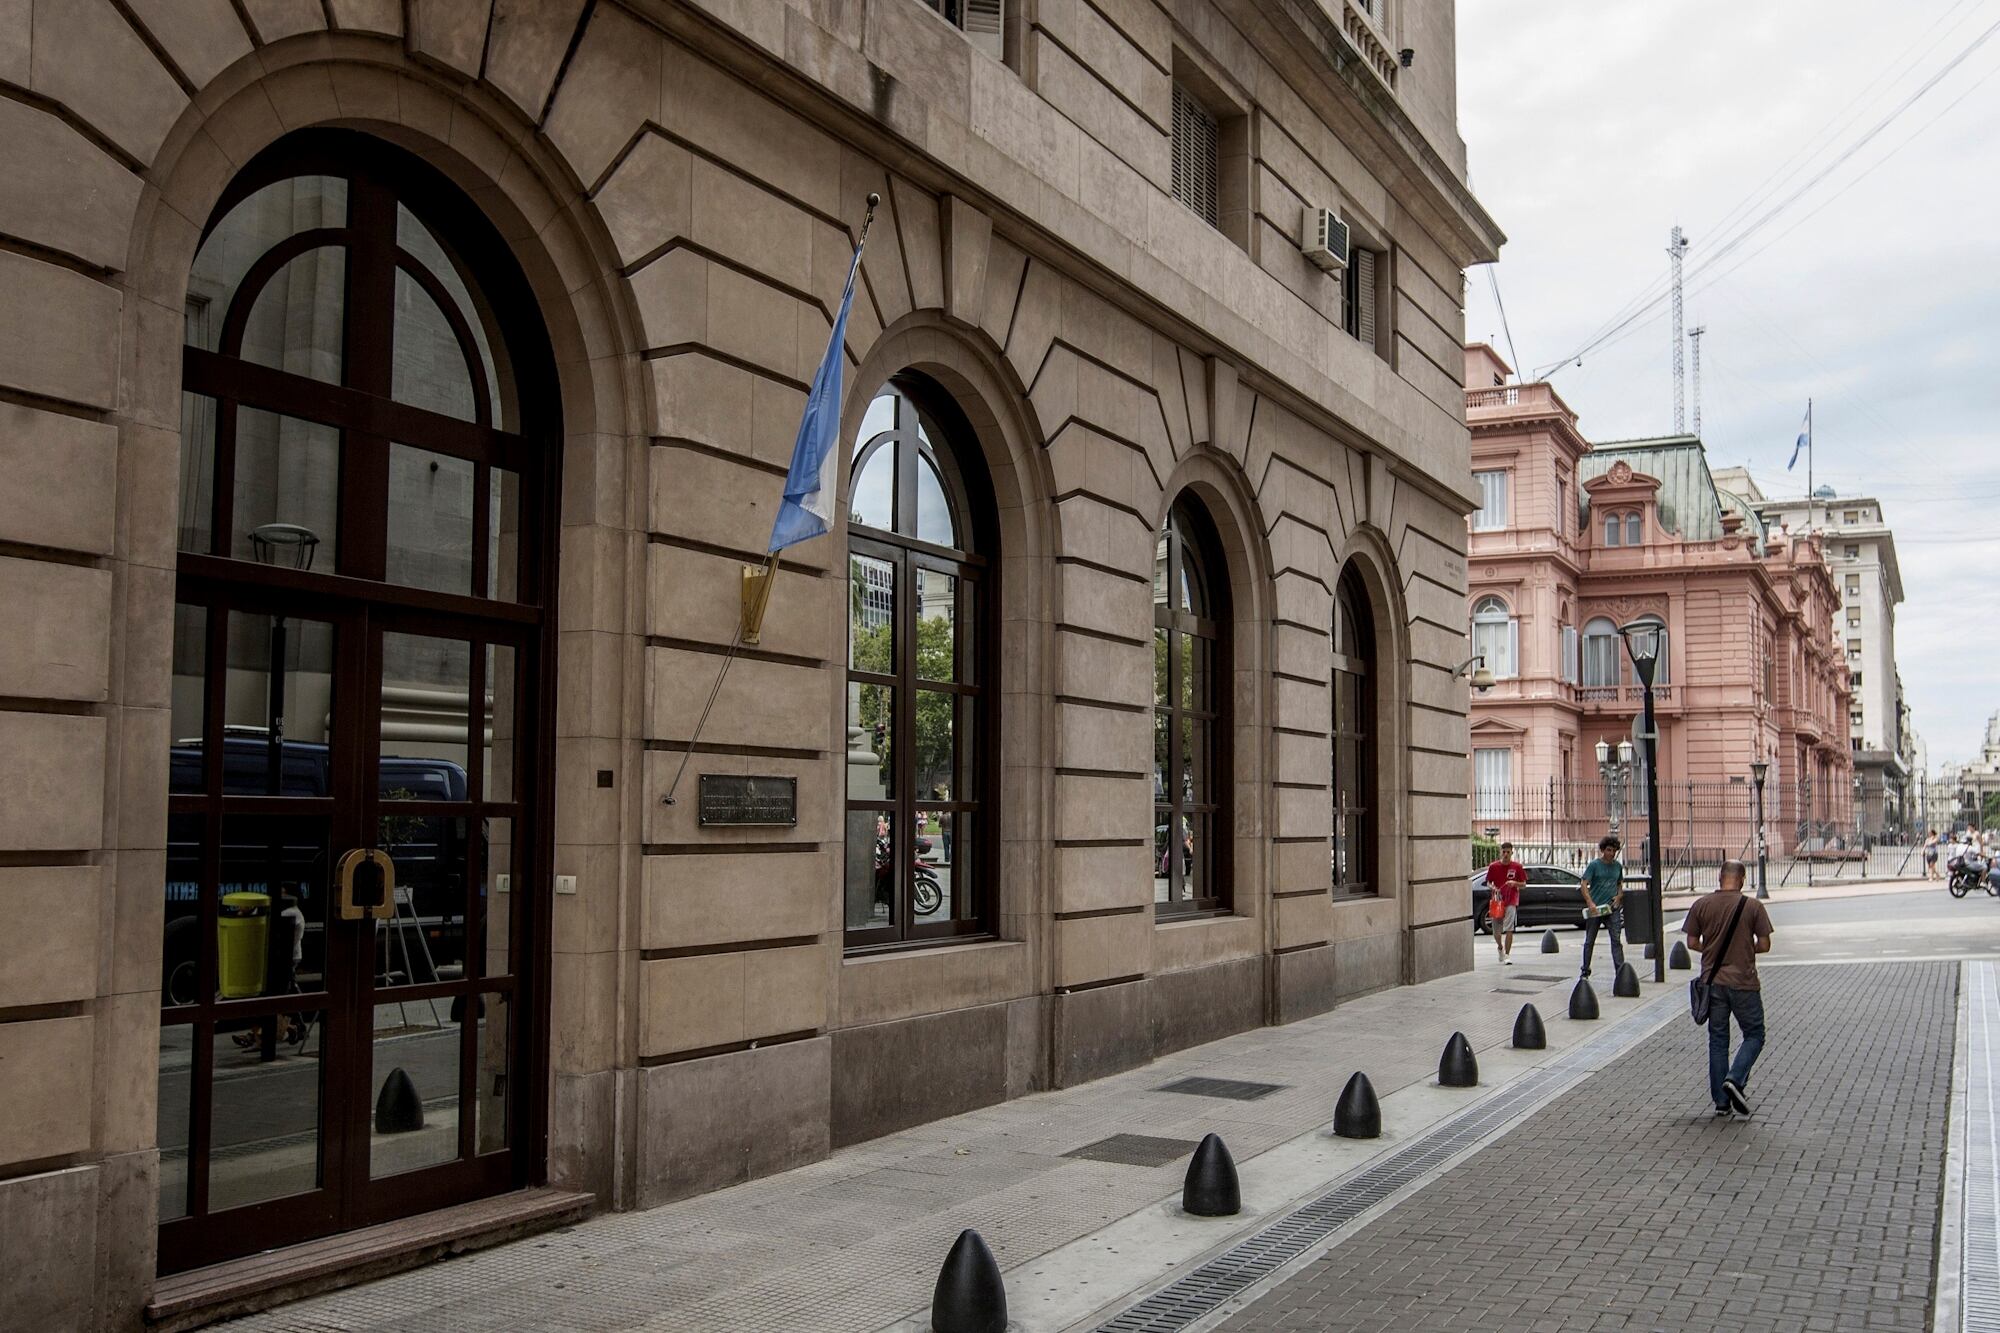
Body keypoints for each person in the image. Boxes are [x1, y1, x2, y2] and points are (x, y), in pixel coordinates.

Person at [1683, 860, 1774, 1119]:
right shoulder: (1753, 906)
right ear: (1742, 879)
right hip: (1744, 981)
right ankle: (1735, 1078)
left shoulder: (1701, 905)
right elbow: (1765, 944)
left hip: (1713, 983)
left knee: (1718, 1040)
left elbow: (1692, 942)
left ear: (1719, 877)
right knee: (1755, 1034)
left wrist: (1711, 951)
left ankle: (1721, 1103)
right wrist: (1745, 950)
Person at [1577, 834, 1625, 979]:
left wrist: (1618, 896)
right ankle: (1585, 970)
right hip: (1596, 908)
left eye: (1614, 851)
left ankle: (1620, 971)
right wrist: (1590, 902)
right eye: (1609, 850)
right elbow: (1584, 884)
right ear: (1603, 850)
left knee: (1616, 940)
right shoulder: (1594, 865)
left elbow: (1620, 884)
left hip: (1612, 908)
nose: (1611, 854)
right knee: (1590, 940)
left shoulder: (1617, 866)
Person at [1483, 841, 1526, 964]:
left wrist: (1515, 883)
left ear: (1512, 852)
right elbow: (1488, 882)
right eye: (1504, 852)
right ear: (1500, 852)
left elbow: (1523, 884)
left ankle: (1507, 955)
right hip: (1497, 901)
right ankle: (1500, 947)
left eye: (1508, 852)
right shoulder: (1493, 866)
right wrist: (1492, 887)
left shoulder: (1517, 867)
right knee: (1496, 931)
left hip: (1511, 900)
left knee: (1509, 928)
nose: (1506, 854)